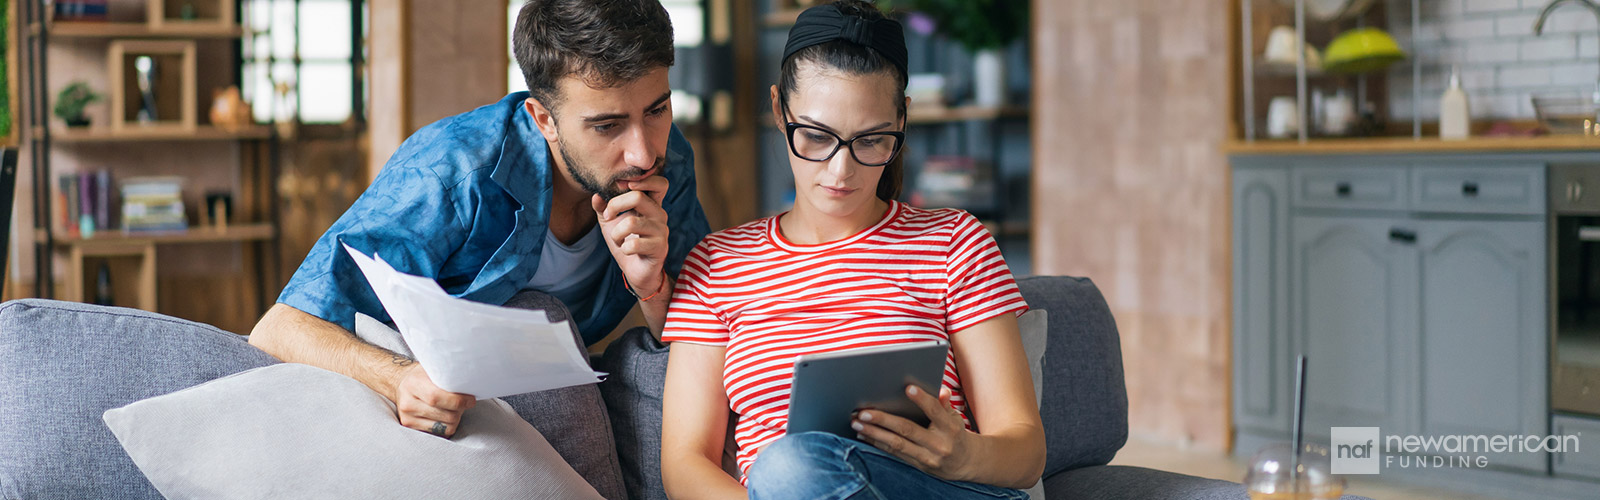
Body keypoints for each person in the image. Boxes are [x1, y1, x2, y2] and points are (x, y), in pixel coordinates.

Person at [248, 0, 710, 440]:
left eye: (657, 110)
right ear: (544, 119)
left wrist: (651, 287)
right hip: (432, 404)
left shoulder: (668, 163)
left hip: (561, 391)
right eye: (606, 126)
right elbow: (280, 327)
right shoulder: (452, 171)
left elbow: (703, 331)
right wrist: (399, 380)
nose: (643, 152)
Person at [657, 1, 1044, 499]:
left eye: (872, 140)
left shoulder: (955, 241)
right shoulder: (716, 263)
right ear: (779, 110)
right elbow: (685, 464)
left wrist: (964, 454)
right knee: (790, 468)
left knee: (789, 467)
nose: (841, 172)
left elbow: (1026, 452)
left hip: (937, 490)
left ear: (901, 121)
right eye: (816, 137)